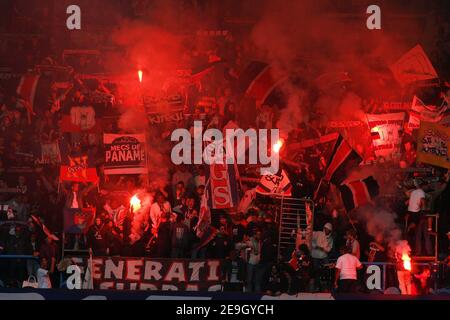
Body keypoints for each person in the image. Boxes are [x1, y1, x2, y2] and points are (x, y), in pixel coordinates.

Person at [407, 180, 432, 256]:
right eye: (427, 186)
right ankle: (429, 252)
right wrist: (423, 210)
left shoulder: (414, 192)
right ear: (424, 186)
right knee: (426, 234)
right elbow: (422, 201)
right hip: (417, 213)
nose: (428, 187)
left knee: (418, 234)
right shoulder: (421, 192)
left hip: (411, 212)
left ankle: (418, 252)